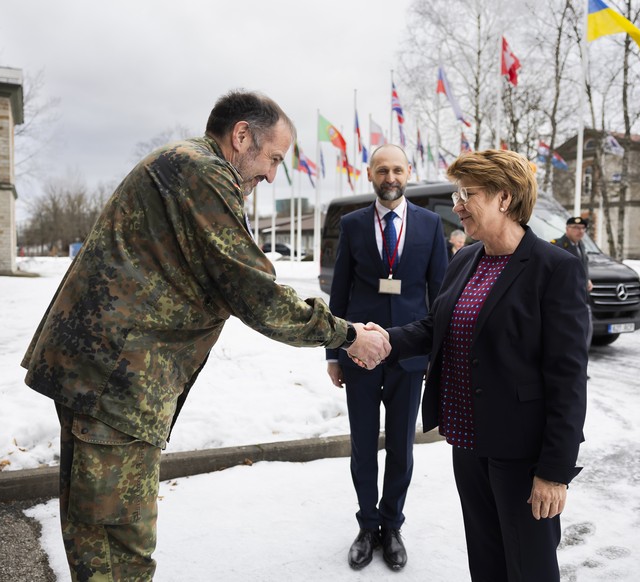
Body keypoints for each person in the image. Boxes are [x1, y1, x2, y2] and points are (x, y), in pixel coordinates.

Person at [21, 90, 389, 581]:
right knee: (117, 543)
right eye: (273, 158)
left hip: (103, 374)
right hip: (115, 379)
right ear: (242, 136)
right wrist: (346, 336)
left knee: (97, 530)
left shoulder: (185, 164)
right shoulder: (203, 173)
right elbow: (253, 292)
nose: (271, 176)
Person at [370, 149, 589, 581]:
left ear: (504, 198)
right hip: (469, 443)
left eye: (467, 194)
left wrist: (554, 472)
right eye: (457, 194)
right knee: (486, 562)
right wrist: (385, 340)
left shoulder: (554, 268)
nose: (457, 206)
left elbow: (568, 379)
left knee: (529, 568)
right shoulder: (465, 259)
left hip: (523, 453)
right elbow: (437, 326)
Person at [326, 144, 448, 570]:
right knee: (363, 446)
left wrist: (435, 354)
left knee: (400, 447)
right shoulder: (353, 224)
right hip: (359, 354)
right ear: (370, 174)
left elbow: (440, 295)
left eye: (397, 169)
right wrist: (333, 353)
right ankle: (367, 525)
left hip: (410, 357)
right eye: (382, 170)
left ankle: (392, 525)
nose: (390, 177)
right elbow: (339, 292)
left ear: (408, 172)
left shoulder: (431, 225)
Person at [551, 216, 594, 346]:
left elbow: (581, 267)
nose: (580, 231)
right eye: (576, 228)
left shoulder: (581, 245)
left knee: (585, 332)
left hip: (581, 297)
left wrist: (587, 280)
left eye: (583, 228)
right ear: (567, 229)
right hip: (565, 300)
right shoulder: (557, 245)